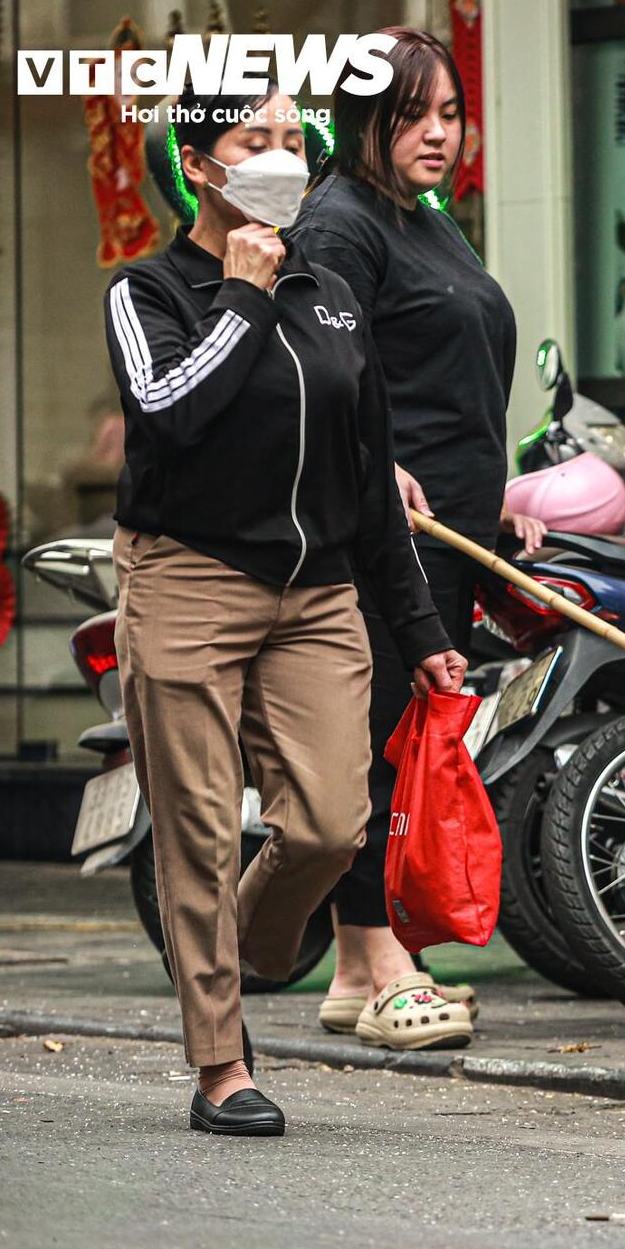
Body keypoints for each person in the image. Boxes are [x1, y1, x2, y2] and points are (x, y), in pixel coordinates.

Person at [102, 84, 465, 1135]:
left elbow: (369, 474)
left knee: (329, 821)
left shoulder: (331, 292)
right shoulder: (151, 290)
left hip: (317, 595)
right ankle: (222, 1063)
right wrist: (243, 297)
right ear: (200, 166)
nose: (279, 157)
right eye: (249, 140)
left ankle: (249, 946)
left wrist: (425, 632)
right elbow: (173, 413)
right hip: (188, 578)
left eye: (288, 140)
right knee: (201, 831)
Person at [291, 27, 538, 1050]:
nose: (437, 134)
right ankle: (387, 953)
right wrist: (373, 460)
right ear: (364, 119)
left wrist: (502, 486)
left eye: (449, 114)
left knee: (415, 740)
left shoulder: (427, 218)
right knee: (378, 747)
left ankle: (357, 967)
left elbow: (452, 373)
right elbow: (315, 363)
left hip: (459, 530)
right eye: (411, 115)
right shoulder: (341, 223)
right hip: (381, 535)